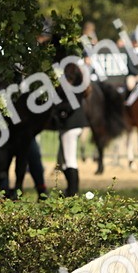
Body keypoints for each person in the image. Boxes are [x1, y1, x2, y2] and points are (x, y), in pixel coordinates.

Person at [52, 63, 88, 196]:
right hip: (74, 124)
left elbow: (70, 106)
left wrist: (59, 110)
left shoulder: (71, 88)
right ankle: (70, 190)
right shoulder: (78, 86)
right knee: (66, 161)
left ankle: (73, 191)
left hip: (71, 125)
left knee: (70, 159)